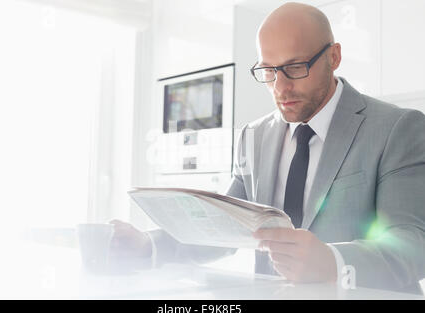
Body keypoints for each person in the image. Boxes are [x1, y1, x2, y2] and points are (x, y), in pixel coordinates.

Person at [110, 2, 425, 294]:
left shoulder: (397, 128)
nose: (281, 87)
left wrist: (334, 261)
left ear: (334, 57)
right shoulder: (253, 136)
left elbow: (414, 244)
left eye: (296, 67)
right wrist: (148, 245)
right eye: (269, 71)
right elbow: (222, 226)